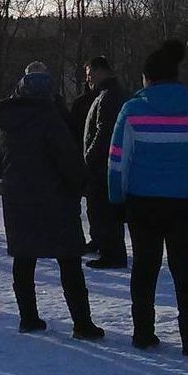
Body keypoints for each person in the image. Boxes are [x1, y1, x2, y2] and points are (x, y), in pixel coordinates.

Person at [108, 39, 188, 357]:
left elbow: (116, 160)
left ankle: (143, 333)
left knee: (144, 270)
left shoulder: (132, 109)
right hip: (183, 203)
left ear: (147, 78)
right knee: (186, 272)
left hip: (142, 203)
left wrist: (116, 199)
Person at [0, 67, 103, 339]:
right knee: (69, 260)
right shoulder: (50, 117)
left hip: (18, 199)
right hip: (55, 199)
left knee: (24, 259)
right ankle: (82, 323)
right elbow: (68, 160)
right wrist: (81, 184)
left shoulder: (2, 120)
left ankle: (28, 318)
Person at [82, 56, 129, 269]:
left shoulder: (109, 96)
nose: (89, 80)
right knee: (98, 207)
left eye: (91, 75)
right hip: (103, 164)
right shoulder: (106, 94)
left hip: (104, 165)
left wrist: (90, 156)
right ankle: (102, 243)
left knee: (104, 208)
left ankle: (112, 252)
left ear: (101, 71)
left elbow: (105, 130)